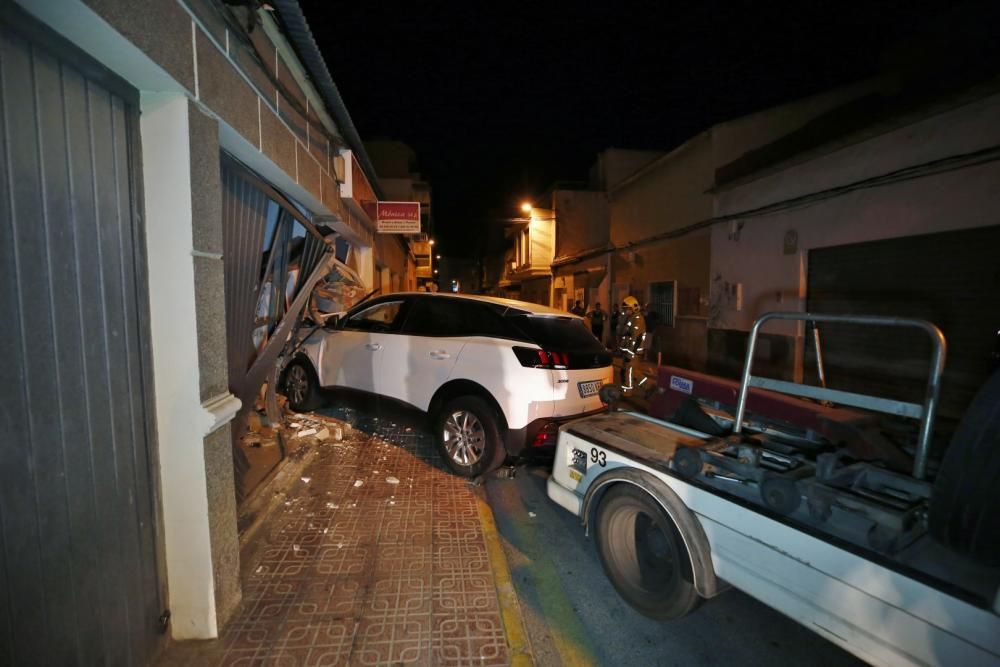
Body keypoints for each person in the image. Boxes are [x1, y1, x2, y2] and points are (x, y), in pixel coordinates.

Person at [619, 295, 648, 392]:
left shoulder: (638, 319)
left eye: (627, 308)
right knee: (630, 370)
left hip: (634, 351)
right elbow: (628, 334)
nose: (625, 311)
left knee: (629, 370)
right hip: (630, 350)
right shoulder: (632, 317)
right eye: (625, 309)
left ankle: (628, 391)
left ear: (633, 308)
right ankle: (647, 386)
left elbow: (636, 339)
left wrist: (630, 354)